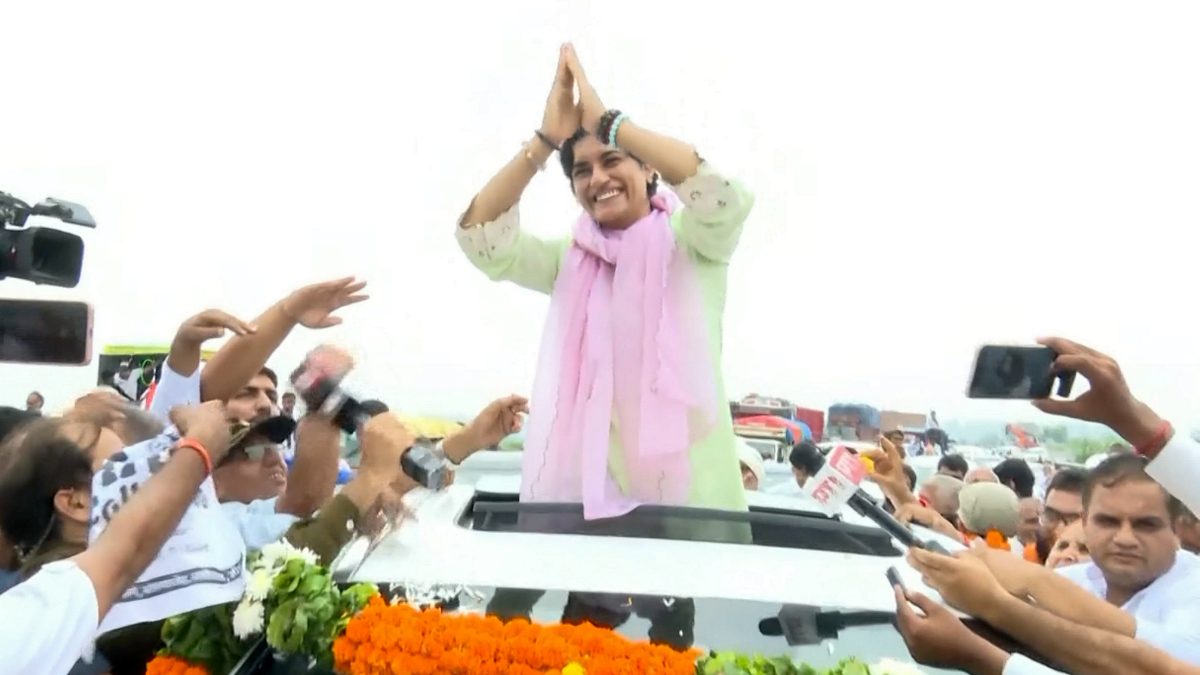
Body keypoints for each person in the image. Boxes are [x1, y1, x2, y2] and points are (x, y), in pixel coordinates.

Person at [455, 44, 754, 520]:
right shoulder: (567, 258)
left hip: (693, 508)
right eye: (581, 170)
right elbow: (481, 237)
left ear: (649, 168)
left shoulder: (694, 242)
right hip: (590, 513)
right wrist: (543, 144)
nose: (598, 178)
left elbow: (725, 198)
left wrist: (613, 123)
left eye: (613, 160)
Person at [0, 401, 231, 675]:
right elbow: (127, 551)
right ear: (76, 503)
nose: (153, 473)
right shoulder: (41, 618)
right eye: (125, 464)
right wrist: (202, 446)